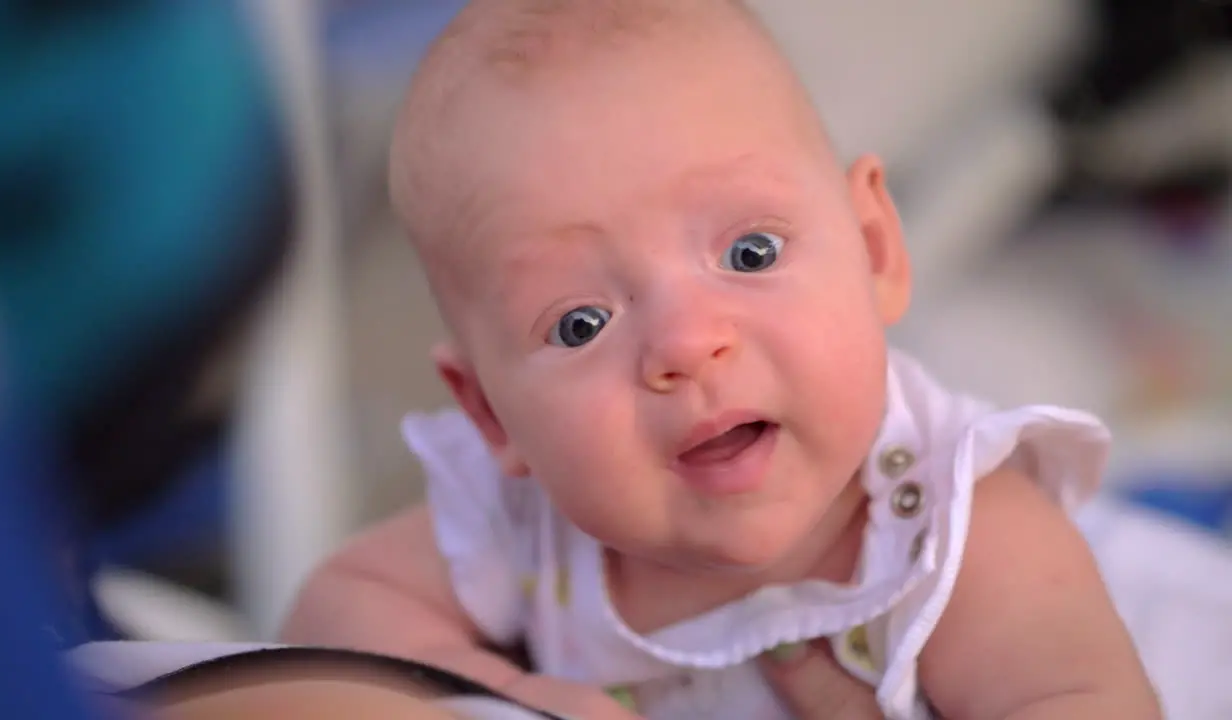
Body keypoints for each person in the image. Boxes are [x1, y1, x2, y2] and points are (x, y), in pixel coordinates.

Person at [283, 1, 1161, 718]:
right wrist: (501, 694)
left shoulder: (953, 525)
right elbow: (332, 616)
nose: (685, 346)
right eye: (582, 322)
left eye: (749, 255)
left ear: (874, 249)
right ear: (491, 416)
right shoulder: (521, 522)